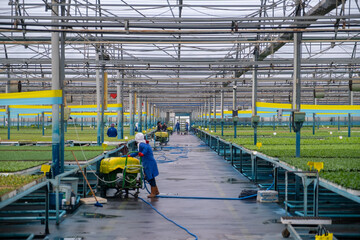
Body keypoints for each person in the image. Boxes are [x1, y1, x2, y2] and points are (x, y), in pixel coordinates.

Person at [129, 133, 159, 198]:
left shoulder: (141, 144)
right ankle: (156, 191)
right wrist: (129, 155)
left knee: (150, 178)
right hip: (150, 162)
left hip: (148, 163)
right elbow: (137, 152)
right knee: (151, 177)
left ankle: (153, 193)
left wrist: (143, 153)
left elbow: (144, 149)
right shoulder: (145, 143)